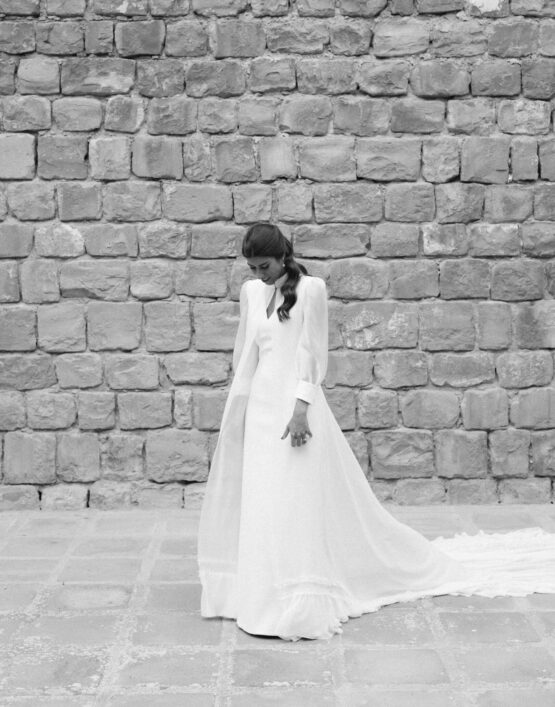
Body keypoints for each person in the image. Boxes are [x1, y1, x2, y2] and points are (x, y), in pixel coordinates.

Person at [197, 222, 555, 641]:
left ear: (283, 256)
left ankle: (295, 597)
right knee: (262, 498)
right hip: (260, 408)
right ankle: (257, 594)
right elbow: (246, 356)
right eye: (253, 268)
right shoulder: (250, 292)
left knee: (293, 497)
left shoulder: (310, 289)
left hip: (294, 409)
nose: (260, 274)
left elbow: (313, 353)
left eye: (265, 266)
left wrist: (301, 409)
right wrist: (238, 410)